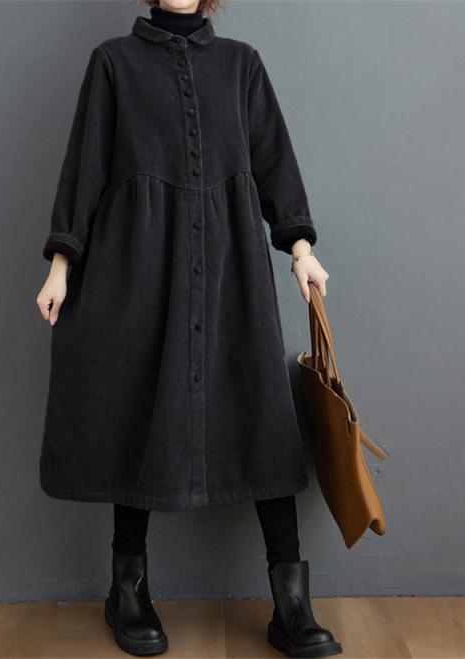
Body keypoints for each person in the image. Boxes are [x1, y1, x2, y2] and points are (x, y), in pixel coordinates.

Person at [36, 0, 341, 656]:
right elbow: (85, 167)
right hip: (137, 270)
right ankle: (127, 590)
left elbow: (274, 160)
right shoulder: (113, 64)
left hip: (232, 270)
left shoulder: (241, 65)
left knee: (262, 417)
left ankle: (291, 605)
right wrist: (61, 265)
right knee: (138, 406)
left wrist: (301, 248)